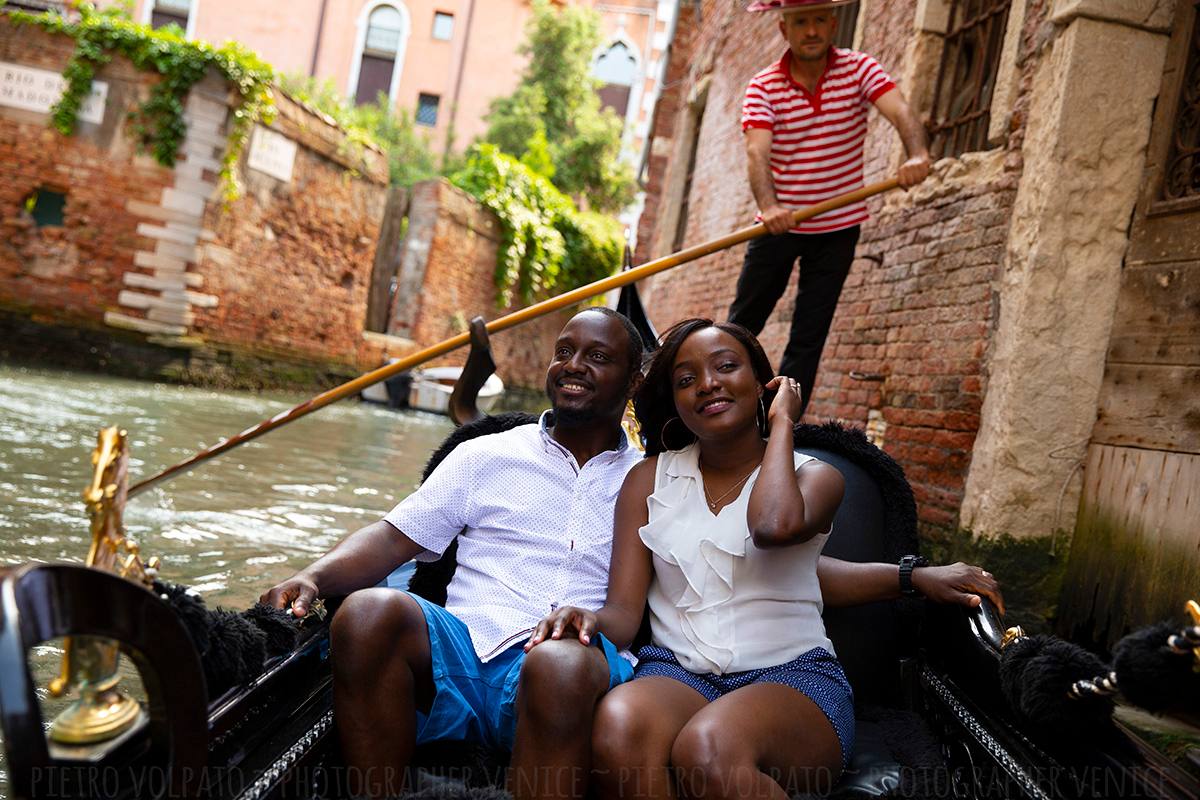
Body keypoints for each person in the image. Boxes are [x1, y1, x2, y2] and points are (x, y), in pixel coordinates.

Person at [263, 308, 1001, 800]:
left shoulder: (772, 475)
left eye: (598, 356)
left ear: (631, 381)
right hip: (565, 656)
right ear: (668, 396)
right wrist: (313, 576)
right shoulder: (579, 468)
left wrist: (909, 573)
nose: (574, 366)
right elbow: (400, 541)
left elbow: (782, 552)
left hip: (684, 668)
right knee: (369, 615)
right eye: (564, 354)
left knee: (634, 705)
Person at [526, 319, 1001, 800]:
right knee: (618, 725)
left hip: (794, 678)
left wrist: (781, 425)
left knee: (707, 748)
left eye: (726, 367)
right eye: (686, 380)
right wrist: (585, 616)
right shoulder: (647, 480)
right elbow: (625, 616)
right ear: (674, 402)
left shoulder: (817, 478)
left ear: (761, 384)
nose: (707, 384)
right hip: (676, 672)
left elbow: (773, 528)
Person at [729, 0, 932, 414]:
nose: (811, 30)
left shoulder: (860, 69)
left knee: (810, 334)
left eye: (819, 20)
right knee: (741, 325)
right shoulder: (763, 86)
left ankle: (780, 423)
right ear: (785, 29)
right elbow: (757, 153)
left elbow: (900, 109)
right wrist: (770, 207)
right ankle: (721, 405)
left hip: (838, 228)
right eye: (801, 22)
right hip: (778, 226)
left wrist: (916, 154)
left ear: (833, 24)